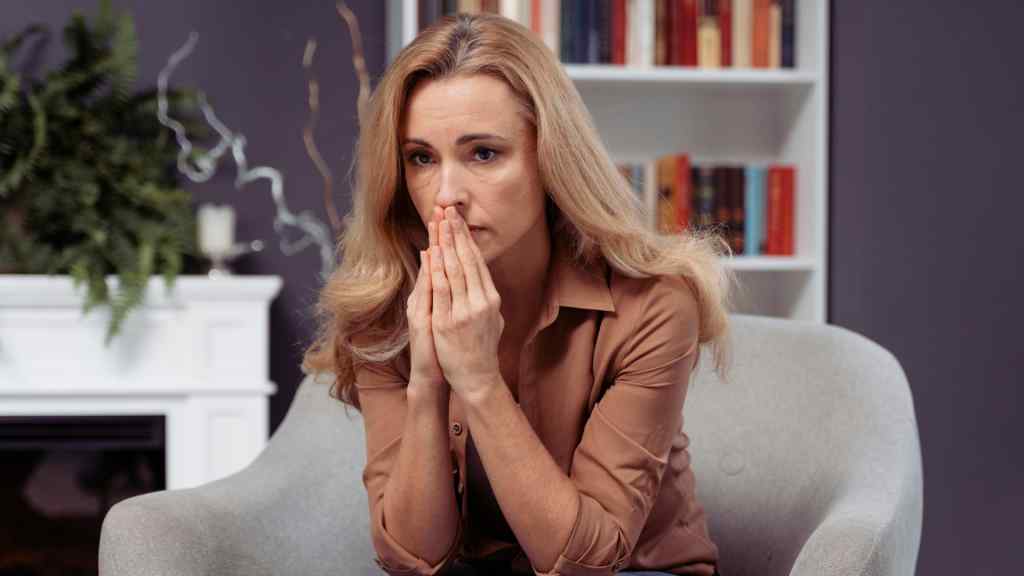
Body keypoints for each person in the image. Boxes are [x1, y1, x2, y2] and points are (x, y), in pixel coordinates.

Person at [303, 11, 736, 576]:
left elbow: (587, 561)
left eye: (483, 153)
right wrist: (430, 381)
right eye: (421, 158)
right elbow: (412, 560)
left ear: (549, 157)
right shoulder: (384, 311)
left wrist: (479, 380)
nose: (446, 194)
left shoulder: (654, 305)